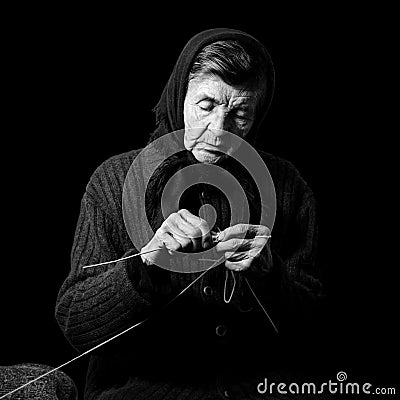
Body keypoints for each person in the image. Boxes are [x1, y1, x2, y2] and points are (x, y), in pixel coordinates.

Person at [56, 28, 325, 399]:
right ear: (180, 94)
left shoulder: (287, 185)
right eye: (206, 106)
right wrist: (144, 264)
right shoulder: (115, 180)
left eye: (240, 114)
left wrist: (272, 275)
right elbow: (75, 323)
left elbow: (317, 329)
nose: (219, 131)